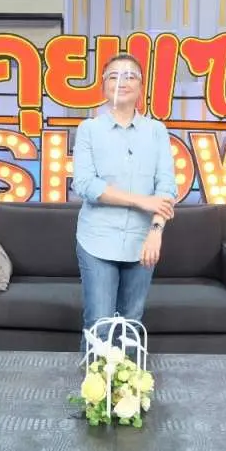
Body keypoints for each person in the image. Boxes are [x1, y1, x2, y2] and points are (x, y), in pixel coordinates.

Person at [71, 53, 177, 352]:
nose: (122, 81)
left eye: (131, 76)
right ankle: (94, 383)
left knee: (131, 324)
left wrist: (156, 232)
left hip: (142, 242)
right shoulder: (89, 129)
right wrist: (142, 201)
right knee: (99, 325)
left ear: (141, 87)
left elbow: (167, 186)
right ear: (103, 86)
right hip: (97, 240)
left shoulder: (157, 131)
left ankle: (128, 383)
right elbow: (85, 184)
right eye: (114, 76)